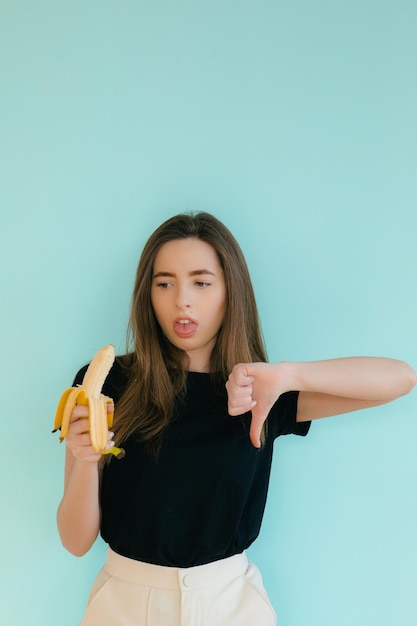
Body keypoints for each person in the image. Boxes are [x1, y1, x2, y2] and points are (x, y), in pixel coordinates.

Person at [56, 211, 416, 626]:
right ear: (147, 294)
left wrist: (286, 375)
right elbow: (75, 540)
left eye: (201, 282)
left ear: (231, 291)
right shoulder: (107, 384)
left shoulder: (262, 392)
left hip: (230, 605)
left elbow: (400, 378)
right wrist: (83, 457)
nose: (181, 300)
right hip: (123, 604)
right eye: (164, 283)